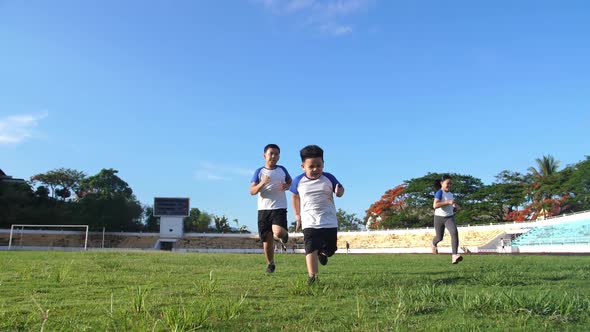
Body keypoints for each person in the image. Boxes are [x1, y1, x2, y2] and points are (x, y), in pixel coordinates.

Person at [290, 145, 345, 285]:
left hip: (329, 221)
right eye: (311, 166)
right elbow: (295, 197)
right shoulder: (298, 181)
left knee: (331, 249)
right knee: (310, 248)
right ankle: (312, 277)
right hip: (309, 221)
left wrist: (339, 192)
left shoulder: (329, 178)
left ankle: (324, 253)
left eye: (318, 165)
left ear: (323, 164)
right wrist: (297, 215)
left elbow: (340, 190)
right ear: (303, 166)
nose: (315, 169)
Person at [250, 144, 292, 273]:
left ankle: (284, 235)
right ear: (264, 156)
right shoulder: (259, 172)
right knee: (267, 239)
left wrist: (286, 186)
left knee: (278, 232)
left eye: (276, 154)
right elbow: (252, 191)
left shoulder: (282, 170)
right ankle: (271, 264)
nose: (274, 156)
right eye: (271, 153)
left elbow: (290, 182)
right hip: (263, 209)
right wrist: (262, 183)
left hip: (279, 206)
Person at [431, 174, 463, 264]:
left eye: (450, 184)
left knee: (454, 233)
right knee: (439, 237)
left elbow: (451, 204)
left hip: (449, 217)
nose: (449, 185)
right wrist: (448, 202)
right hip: (439, 218)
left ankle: (454, 255)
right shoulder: (439, 192)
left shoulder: (451, 194)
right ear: (441, 183)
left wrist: (455, 206)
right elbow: (435, 205)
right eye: (447, 183)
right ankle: (433, 243)